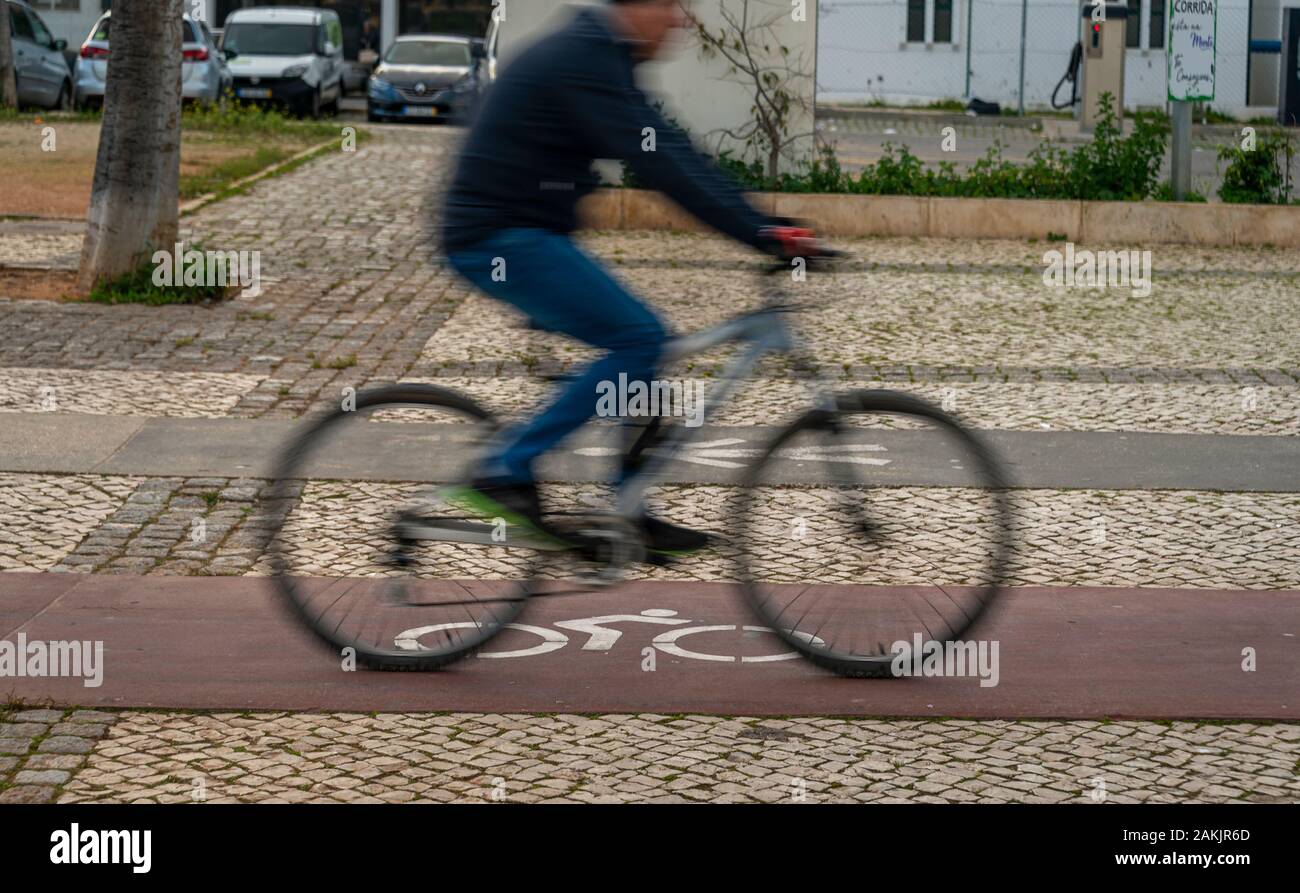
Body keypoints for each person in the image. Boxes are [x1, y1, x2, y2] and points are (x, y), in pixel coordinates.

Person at [440, 0, 821, 558]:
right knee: (640, 338)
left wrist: (768, 225)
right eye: (670, 6)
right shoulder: (586, 60)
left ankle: (627, 510)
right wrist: (760, 235)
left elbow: (678, 152)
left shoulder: (602, 57)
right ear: (635, 7)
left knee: (645, 347)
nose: (680, 21)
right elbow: (664, 165)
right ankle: (505, 469)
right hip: (499, 236)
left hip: (520, 230)